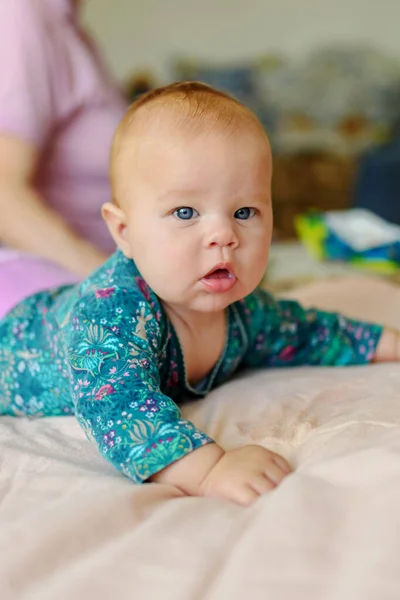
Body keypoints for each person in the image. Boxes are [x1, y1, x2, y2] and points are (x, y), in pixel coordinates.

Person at [1, 82, 399, 508]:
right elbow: (118, 405)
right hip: (18, 328)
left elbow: (303, 331)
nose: (223, 236)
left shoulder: (244, 311)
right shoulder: (109, 316)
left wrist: (384, 341)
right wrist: (208, 468)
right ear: (124, 232)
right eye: (185, 212)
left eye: (244, 212)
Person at [0, 0, 126, 300]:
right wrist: (119, 288)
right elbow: (4, 194)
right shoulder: (21, 13)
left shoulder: (63, 20)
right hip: (75, 297)